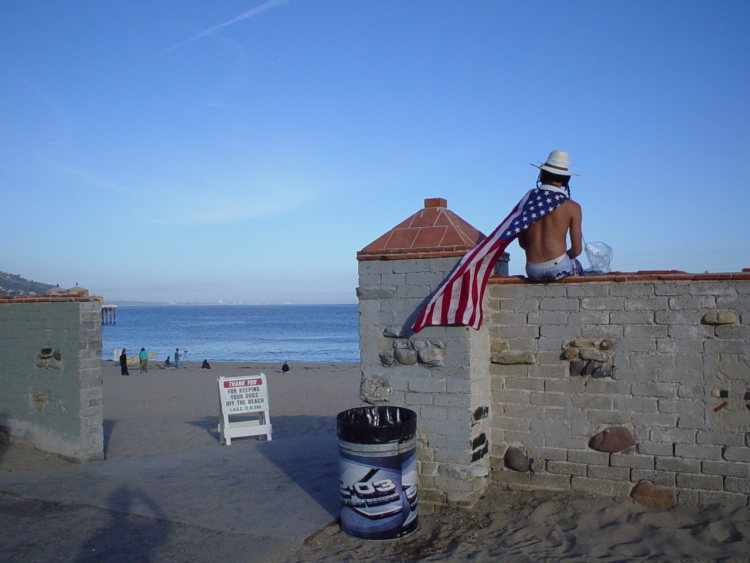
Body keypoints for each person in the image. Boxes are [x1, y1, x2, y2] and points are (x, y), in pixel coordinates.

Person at [518, 150, 584, 282]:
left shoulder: (527, 201)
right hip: (558, 267)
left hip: (532, 269)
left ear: (542, 174)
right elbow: (577, 250)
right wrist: (562, 256)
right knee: (578, 266)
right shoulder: (573, 207)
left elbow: (522, 243)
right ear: (566, 179)